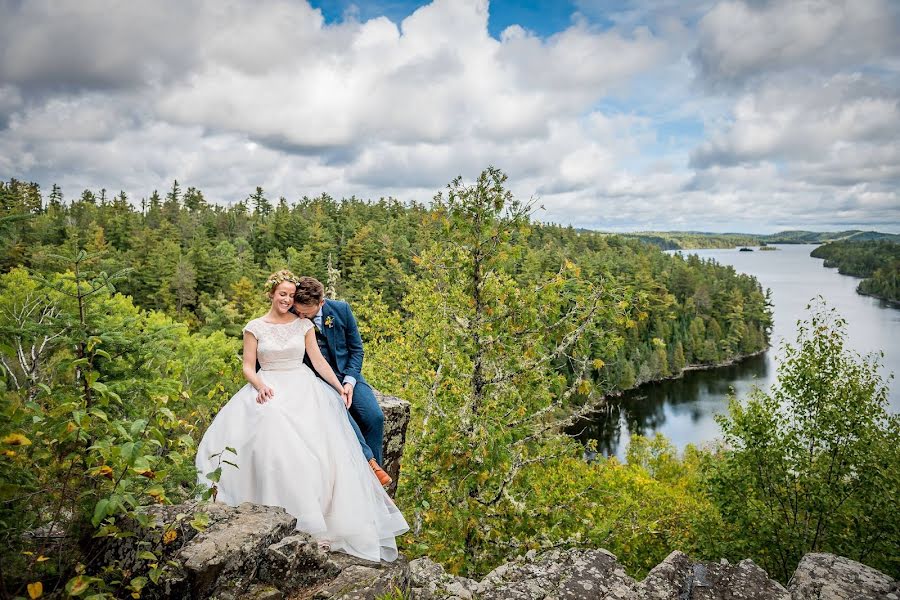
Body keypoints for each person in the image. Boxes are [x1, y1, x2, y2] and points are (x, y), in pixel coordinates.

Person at [195, 270, 408, 562]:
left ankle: (365, 475)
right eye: (282, 294)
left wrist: (340, 387)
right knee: (272, 430)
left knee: (343, 427)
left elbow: (321, 360)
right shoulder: (254, 326)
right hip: (269, 384)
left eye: (291, 295)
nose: (287, 300)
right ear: (271, 294)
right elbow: (247, 366)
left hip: (310, 382)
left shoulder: (304, 323)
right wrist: (260, 385)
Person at [291, 276, 392, 486]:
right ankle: (370, 469)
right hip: (315, 379)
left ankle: (375, 482)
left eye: (306, 312)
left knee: (374, 417)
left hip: (347, 375)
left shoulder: (341, 310)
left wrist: (349, 382)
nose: (301, 315)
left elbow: (356, 350)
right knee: (342, 417)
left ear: (321, 303)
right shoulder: (291, 316)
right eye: (298, 310)